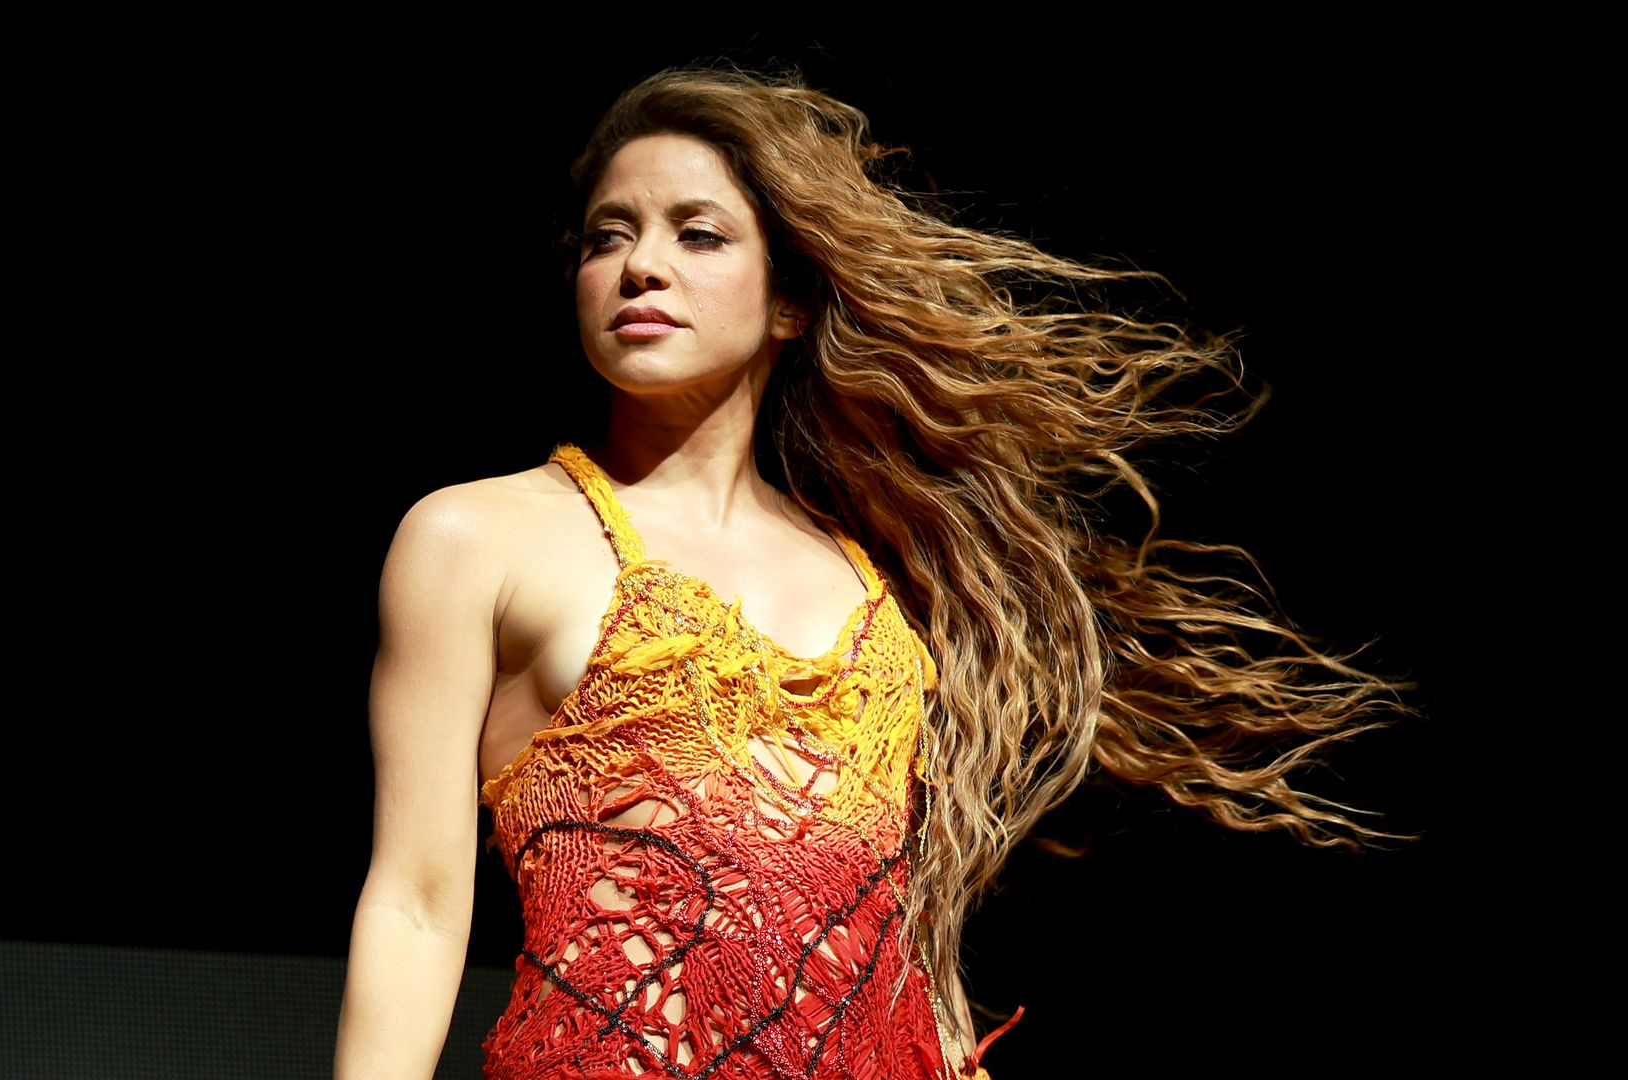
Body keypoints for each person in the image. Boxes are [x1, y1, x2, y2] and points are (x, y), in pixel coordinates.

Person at [334, 66, 1407, 1080]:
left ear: (790, 301)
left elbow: (902, 931)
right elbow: (418, 901)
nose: (639, 266)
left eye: (696, 234)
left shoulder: (874, 580)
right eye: (607, 237)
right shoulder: (476, 537)